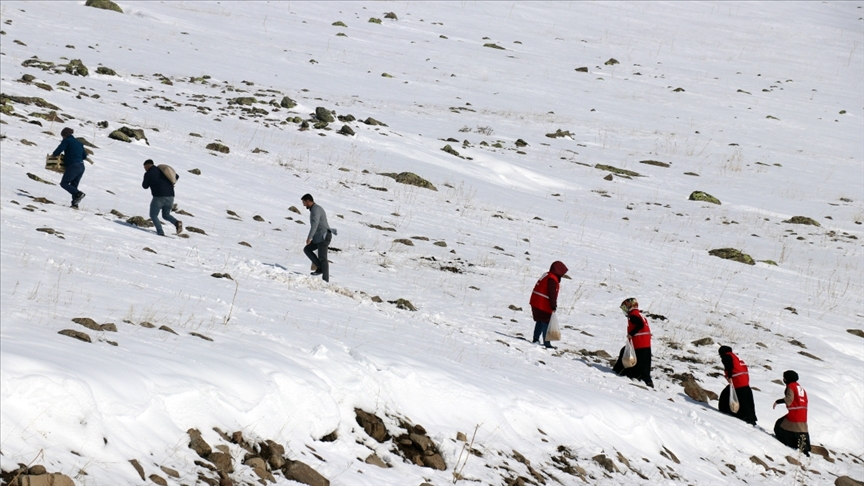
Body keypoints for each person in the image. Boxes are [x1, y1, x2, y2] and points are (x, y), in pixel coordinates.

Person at [612, 298, 654, 388]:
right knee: (645, 363)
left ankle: (621, 372)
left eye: (625, 307)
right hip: (645, 342)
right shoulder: (639, 314)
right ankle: (648, 381)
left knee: (631, 358)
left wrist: (631, 334)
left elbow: (640, 325)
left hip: (639, 343)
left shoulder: (633, 315)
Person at [528, 261, 568, 349]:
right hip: (542, 303)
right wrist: (553, 305)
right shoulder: (552, 279)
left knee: (540, 321)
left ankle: (536, 339)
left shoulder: (547, 275)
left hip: (536, 302)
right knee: (546, 322)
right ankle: (547, 343)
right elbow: (551, 293)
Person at [773, 370, 811, 456]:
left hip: (795, 414)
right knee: (801, 431)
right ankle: (805, 449)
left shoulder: (791, 386)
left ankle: (787, 443)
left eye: (784, 377)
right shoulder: (801, 388)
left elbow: (789, 400)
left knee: (780, 425)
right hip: (803, 414)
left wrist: (778, 401)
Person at [717, 345, 757, 425]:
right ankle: (751, 418)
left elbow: (729, 366)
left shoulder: (727, 356)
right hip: (745, 382)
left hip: (738, 383)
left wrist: (730, 376)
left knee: (730, 398)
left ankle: (734, 414)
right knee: (746, 401)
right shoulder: (736, 358)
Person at [142, 159, 182, 236]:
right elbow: (176, 176)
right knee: (166, 215)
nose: (145, 169)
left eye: (144, 167)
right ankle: (177, 223)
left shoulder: (148, 173)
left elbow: (145, 186)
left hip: (159, 196)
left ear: (147, 166)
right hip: (171, 195)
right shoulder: (162, 170)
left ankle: (160, 232)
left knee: (153, 215)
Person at [51, 127, 88, 208]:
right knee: (74, 186)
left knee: (64, 183)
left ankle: (79, 194)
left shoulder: (66, 141)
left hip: (73, 165)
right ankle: (75, 204)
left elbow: (59, 149)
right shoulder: (79, 143)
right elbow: (84, 156)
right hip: (81, 166)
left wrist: (53, 156)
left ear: (64, 135)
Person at [302, 194, 332, 282]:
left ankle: (325, 280)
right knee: (307, 249)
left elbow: (314, 225)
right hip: (318, 236)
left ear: (308, 201)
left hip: (324, 236)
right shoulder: (314, 209)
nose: (304, 205)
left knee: (323, 258)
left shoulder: (316, 210)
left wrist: (309, 238)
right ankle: (320, 268)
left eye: (304, 202)